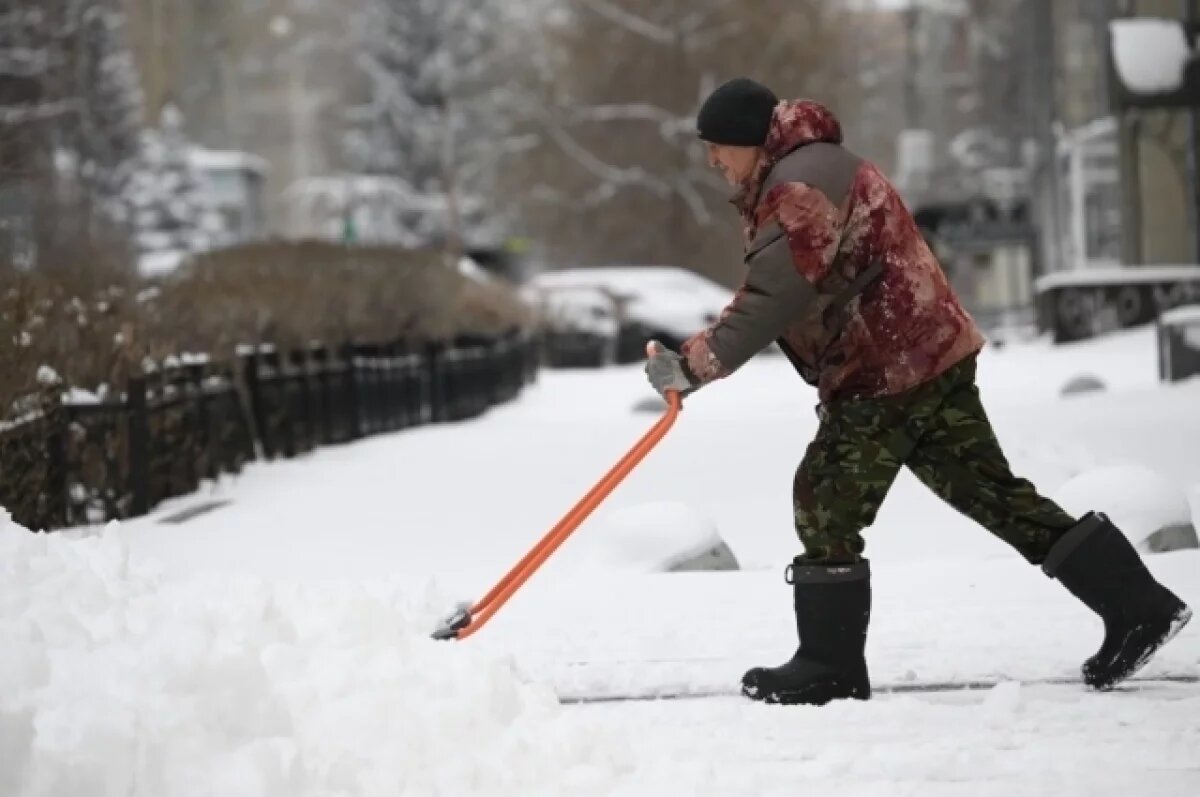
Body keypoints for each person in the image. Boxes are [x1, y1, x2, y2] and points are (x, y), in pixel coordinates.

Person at [644, 77, 1192, 706]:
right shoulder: (808, 165)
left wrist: (694, 364)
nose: (713, 161)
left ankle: (828, 664)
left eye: (719, 148)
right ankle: (1139, 606)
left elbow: (779, 292)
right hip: (929, 352)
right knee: (991, 492)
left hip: (889, 365)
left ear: (750, 140)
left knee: (825, 496)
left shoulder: (800, 182)